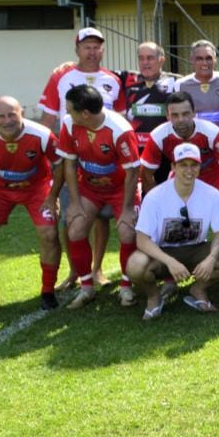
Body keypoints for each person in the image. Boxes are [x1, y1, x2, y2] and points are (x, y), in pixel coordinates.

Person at [0, 97, 63, 313]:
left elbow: (60, 165)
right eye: (2, 116)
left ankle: (48, 291)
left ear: (22, 114)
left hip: (37, 188)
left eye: (12, 115)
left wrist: (52, 195)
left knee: (48, 234)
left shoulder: (42, 135)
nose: (8, 120)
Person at [129, 143, 219, 319]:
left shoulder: (212, 194)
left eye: (194, 165)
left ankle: (198, 289)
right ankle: (154, 297)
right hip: (163, 252)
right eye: (183, 165)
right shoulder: (155, 197)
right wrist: (170, 262)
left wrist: (211, 259)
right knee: (135, 265)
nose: (189, 170)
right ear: (173, 166)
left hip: (196, 249)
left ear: (199, 167)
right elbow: (142, 240)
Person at [57, 85, 141, 309]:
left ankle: (126, 286)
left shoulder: (119, 130)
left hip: (120, 189)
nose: (67, 114)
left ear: (85, 114)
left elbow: (133, 172)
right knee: (75, 228)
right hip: (90, 189)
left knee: (126, 231)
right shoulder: (68, 124)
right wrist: (74, 203)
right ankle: (86, 287)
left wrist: (126, 209)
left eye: (71, 110)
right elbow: (70, 164)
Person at [38, 27, 124, 131]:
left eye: (96, 47)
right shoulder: (59, 76)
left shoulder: (114, 80)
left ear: (102, 51)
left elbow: (121, 120)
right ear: (77, 51)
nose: (92, 52)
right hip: (71, 145)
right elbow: (47, 121)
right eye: (87, 47)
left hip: (104, 146)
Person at [172, 39, 219, 135]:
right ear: (192, 60)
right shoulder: (180, 85)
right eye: (199, 59)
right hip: (193, 144)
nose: (204, 63)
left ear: (215, 59)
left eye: (208, 58)